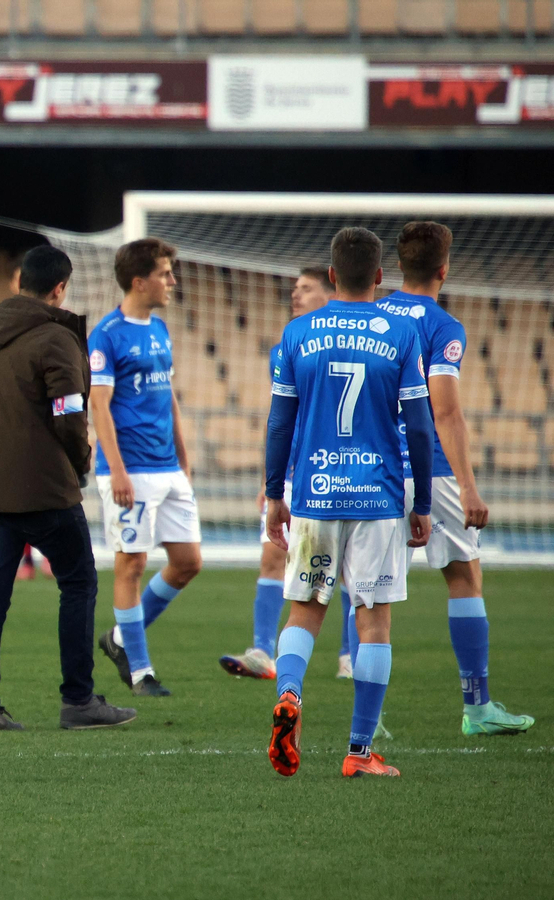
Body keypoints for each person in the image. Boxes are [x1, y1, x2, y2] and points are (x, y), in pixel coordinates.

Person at [264, 226, 435, 779]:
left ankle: (289, 694)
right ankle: (359, 752)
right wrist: (424, 502)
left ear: (332, 276)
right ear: (380, 277)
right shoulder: (400, 333)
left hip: (314, 492)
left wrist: (273, 495)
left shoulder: (298, 333)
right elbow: (419, 427)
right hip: (378, 497)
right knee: (374, 623)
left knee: (305, 610)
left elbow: (279, 423)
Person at [0, 245, 136, 732]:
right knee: (78, 582)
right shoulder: (54, 339)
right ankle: (79, 700)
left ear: (21, 284)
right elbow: (68, 414)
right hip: (42, 489)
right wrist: (81, 462)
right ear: (60, 288)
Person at [376, 221, 533, 736]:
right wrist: (468, 486)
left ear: (399, 266)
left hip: (373, 468)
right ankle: (478, 707)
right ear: (445, 269)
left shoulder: (372, 315)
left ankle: (369, 722)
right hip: (432, 471)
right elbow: (444, 413)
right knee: (464, 575)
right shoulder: (443, 327)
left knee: (372, 590)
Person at [220, 267, 358, 681]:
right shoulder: (286, 345)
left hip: (347, 469)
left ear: (330, 291)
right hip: (299, 470)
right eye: (294, 288)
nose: (295, 294)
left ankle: (351, 655)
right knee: (273, 555)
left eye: (306, 288)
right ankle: (263, 650)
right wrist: (272, 480)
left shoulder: (354, 342)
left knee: (353, 567)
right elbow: (282, 418)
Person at [89, 239, 202, 697]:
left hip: (167, 466)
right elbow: (100, 406)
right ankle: (140, 673)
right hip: (129, 468)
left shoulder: (159, 329)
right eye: (165, 273)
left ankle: (118, 637)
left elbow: (167, 396)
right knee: (131, 564)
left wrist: (184, 455)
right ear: (140, 281)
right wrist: (116, 470)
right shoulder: (107, 334)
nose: (172, 281)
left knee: (188, 562)